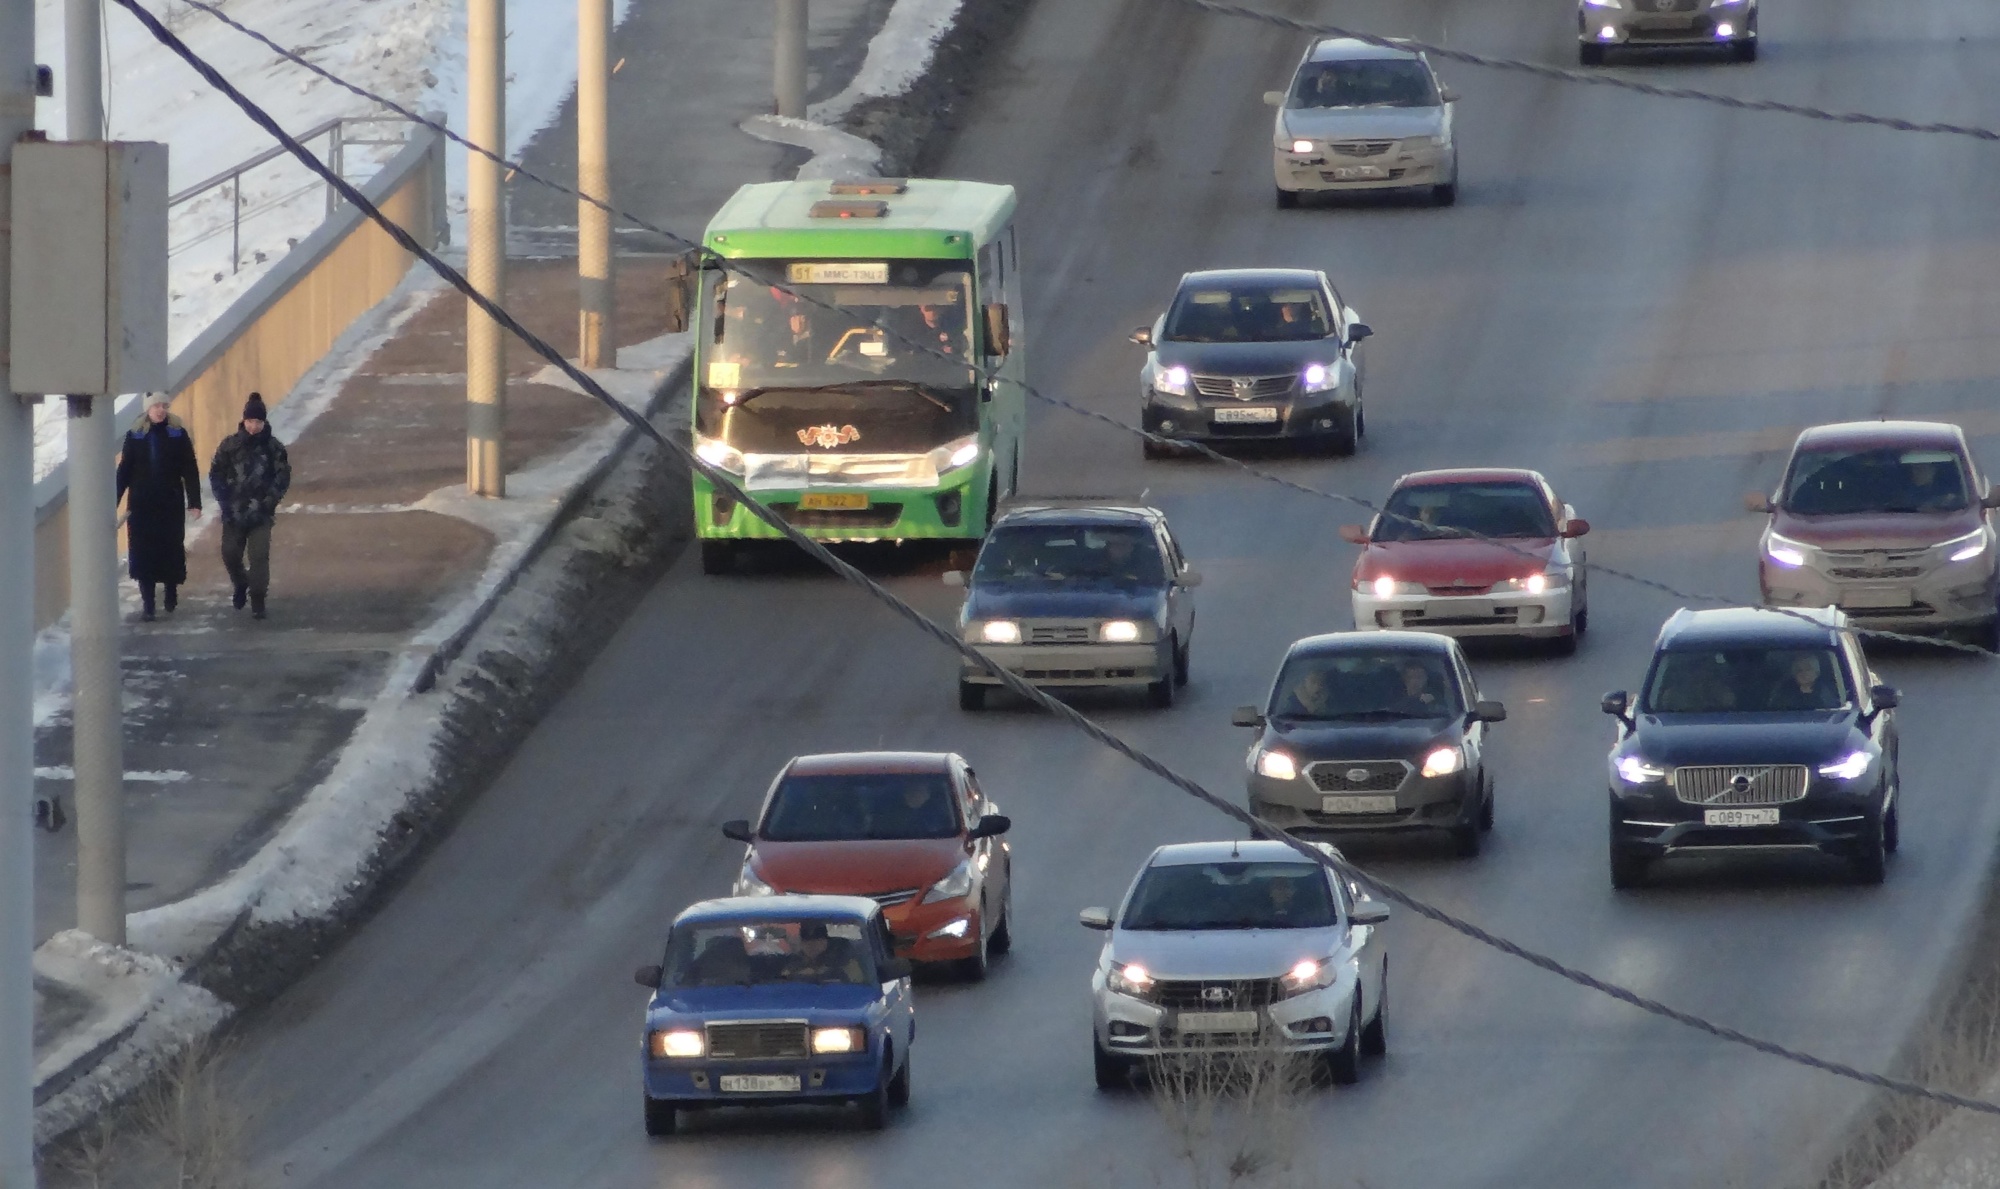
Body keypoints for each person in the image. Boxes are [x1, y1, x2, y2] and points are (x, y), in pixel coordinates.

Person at [115, 394, 202, 621]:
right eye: (155, 406)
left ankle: (171, 592)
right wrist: (112, 501)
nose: (160, 410)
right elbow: (124, 471)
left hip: (169, 503)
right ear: (147, 409)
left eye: (164, 406)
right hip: (142, 505)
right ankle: (148, 604)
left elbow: (190, 469)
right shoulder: (135, 435)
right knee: (143, 554)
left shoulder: (177, 433)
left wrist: (194, 502)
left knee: (170, 550)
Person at [208, 393, 291, 620]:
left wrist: (269, 501)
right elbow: (216, 474)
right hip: (233, 512)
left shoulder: (273, 448)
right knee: (230, 553)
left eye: (258, 422)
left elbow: (282, 477)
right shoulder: (230, 445)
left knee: (259, 557)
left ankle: (258, 600)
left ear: (264, 423)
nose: (253, 426)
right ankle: (240, 582)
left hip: (261, 513)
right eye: (250, 421)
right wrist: (224, 500)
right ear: (244, 421)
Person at [782, 921, 864, 984]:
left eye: (818, 941)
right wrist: (798, 975)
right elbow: (782, 983)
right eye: (807, 942)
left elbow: (859, 985)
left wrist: (822, 974)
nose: (812, 946)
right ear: (801, 944)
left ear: (825, 942)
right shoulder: (793, 962)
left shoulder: (846, 960)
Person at [1768, 653, 1836, 711]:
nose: (1803, 673)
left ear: (1816, 672)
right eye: (1799, 670)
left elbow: (1830, 710)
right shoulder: (1784, 691)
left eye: (1808, 669)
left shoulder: (1825, 691)